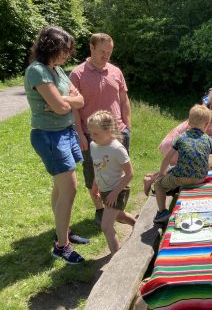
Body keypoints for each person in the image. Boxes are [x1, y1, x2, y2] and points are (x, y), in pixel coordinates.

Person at [24, 26, 87, 264]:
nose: (67, 55)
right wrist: (63, 103)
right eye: (64, 49)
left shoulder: (59, 71)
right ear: (50, 47)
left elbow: (78, 101)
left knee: (60, 189)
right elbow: (62, 107)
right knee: (69, 189)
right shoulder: (37, 71)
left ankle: (63, 231)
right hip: (49, 136)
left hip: (66, 132)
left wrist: (63, 100)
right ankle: (62, 246)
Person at [70, 33, 132, 226]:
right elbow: (74, 108)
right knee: (94, 171)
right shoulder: (77, 74)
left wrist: (127, 126)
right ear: (91, 47)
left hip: (118, 132)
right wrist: (80, 133)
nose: (106, 55)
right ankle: (100, 208)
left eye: (110, 52)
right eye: (102, 51)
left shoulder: (116, 71)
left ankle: (117, 207)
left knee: (119, 169)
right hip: (92, 135)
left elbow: (124, 100)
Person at [147, 105, 212, 224]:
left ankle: (162, 212)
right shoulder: (207, 138)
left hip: (181, 178)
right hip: (200, 177)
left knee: (158, 185)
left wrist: (161, 174)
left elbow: (167, 159)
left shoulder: (180, 137)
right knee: (173, 174)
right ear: (206, 124)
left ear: (189, 121)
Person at [87, 111, 136, 254]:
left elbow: (129, 174)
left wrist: (115, 193)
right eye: (90, 133)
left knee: (106, 226)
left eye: (96, 134)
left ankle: (116, 260)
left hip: (118, 190)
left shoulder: (117, 149)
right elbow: (98, 167)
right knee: (119, 216)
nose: (92, 137)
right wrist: (95, 186)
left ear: (108, 131)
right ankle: (138, 226)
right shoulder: (94, 145)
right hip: (105, 190)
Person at [142, 111, 212, 193]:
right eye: (211, 127)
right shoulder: (193, 126)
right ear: (207, 122)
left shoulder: (196, 120)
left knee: (174, 168)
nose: (211, 130)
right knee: (179, 167)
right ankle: (151, 180)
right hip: (171, 145)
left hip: (170, 142)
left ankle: (152, 177)